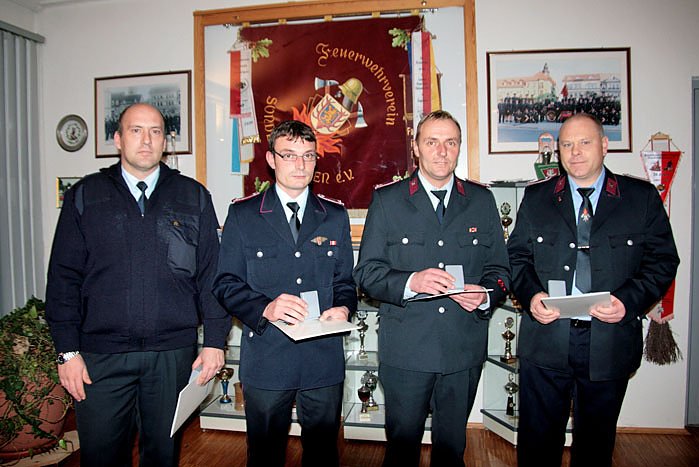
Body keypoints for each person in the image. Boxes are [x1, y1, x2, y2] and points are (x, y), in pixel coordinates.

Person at [45, 103, 231, 467]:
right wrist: (66, 351)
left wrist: (214, 342)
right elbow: (63, 278)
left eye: (155, 131)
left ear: (165, 141)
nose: (146, 140)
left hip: (172, 356)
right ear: (118, 139)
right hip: (100, 357)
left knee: (162, 456)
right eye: (136, 130)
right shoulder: (85, 195)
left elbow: (212, 276)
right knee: (101, 457)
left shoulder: (193, 196)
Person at [507, 113, 679, 467]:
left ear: (604, 145)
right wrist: (531, 295)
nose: (575, 152)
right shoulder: (537, 197)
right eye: (567, 145)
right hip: (547, 338)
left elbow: (663, 261)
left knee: (595, 446)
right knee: (537, 443)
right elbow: (516, 258)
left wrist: (628, 302)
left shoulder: (640, 198)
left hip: (609, 341)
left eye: (584, 142)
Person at [353, 110, 510, 467]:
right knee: (402, 449)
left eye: (450, 142)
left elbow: (500, 270)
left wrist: (485, 295)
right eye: (432, 142)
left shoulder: (480, 200)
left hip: (462, 348)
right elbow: (367, 274)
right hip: (407, 350)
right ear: (416, 148)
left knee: (452, 450)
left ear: (459, 147)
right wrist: (412, 281)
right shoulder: (388, 200)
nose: (442, 151)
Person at [212, 120, 357, 467]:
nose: (300, 164)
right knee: (265, 455)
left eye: (308, 155)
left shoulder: (334, 215)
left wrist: (343, 308)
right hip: (268, 357)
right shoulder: (244, 215)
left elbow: (345, 282)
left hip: (322, 359)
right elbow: (225, 282)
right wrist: (265, 307)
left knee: (323, 455)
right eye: (289, 155)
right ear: (271, 159)